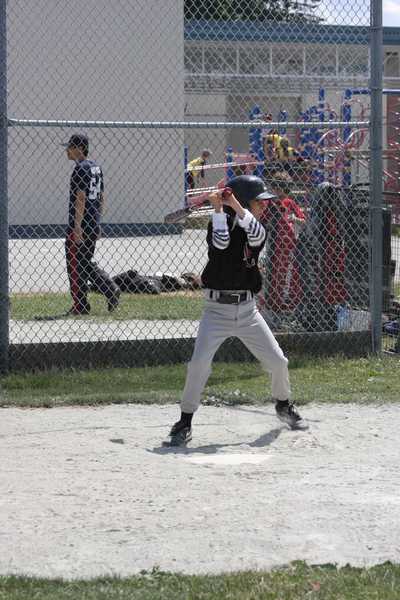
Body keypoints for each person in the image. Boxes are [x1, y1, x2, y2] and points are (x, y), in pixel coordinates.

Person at [163, 174, 308, 447]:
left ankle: (283, 405)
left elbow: (256, 234)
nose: (264, 205)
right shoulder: (218, 222)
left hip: (248, 312)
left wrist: (235, 205)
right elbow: (220, 244)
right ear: (243, 200)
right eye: (258, 201)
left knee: (278, 362)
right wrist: (219, 208)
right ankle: (184, 422)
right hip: (216, 311)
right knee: (198, 365)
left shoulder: (256, 227)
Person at [63, 133, 120, 315]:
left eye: (70, 147)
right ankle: (105, 291)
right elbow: (101, 197)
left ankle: (83, 303)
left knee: (75, 265)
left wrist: (77, 227)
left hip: (81, 225)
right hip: (92, 223)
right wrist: (97, 221)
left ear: (80, 148)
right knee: (84, 262)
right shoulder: (96, 168)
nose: (67, 150)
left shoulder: (80, 169)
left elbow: (80, 198)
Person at [262, 172, 306, 315]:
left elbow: (303, 220)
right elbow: (264, 220)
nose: (275, 191)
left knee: (288, 274)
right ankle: (274, 303)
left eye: (277, 188)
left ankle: (286, 304)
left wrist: (294, 219)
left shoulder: (289, 203)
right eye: (274, 188)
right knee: (275, 273)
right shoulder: (271, 204)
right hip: (275, 245)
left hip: (290, 244)